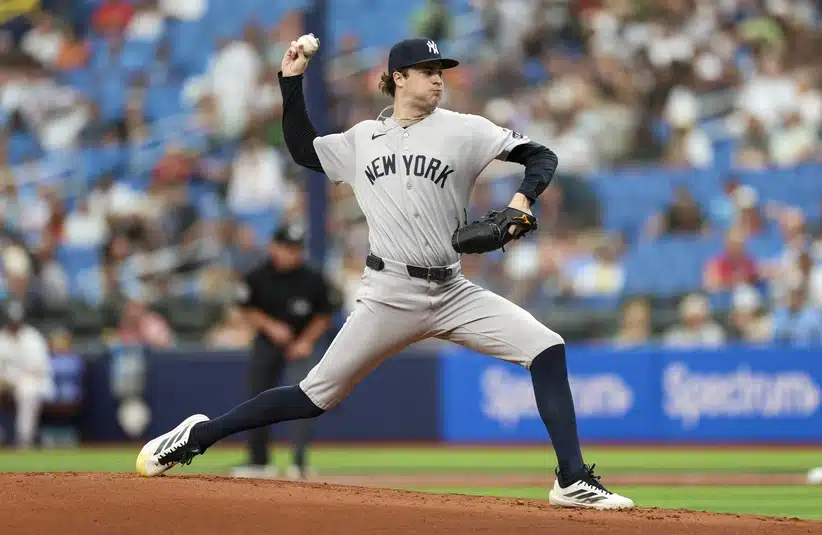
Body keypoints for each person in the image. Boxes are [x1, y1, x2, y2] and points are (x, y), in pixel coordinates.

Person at [136, 37, 634, 510]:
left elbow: (541, 156)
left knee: (546, 348)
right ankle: (198, 436)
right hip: (389, 293)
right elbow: (304, 149)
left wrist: (521, 200)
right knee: (313, 397)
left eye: (441, 72)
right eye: (427, 71)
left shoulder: (465, 129)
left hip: (453, 289)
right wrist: (291, 81)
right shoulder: (363, 138)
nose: (438, 79)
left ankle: (572, 479)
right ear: (398, 77)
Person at [231, 222, 336, 480]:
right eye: (288, 247)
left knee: (305, 400)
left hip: (302, 345)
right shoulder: (257, 276)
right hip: (267, 344)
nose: (293, 253)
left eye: (297, 248)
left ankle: (299, 463)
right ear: (274, 247)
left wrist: (306, 341)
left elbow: (324, 314)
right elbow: (246, 308)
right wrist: (270, 326)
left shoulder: (313, 278)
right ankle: (258, 461)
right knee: (257, 400)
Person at [0, 301, 55, 448]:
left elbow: (38, 369)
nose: (13, 325)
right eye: (11, 322)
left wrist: (12, 380)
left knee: (27, 391)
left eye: (16, 322)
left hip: (33, 381)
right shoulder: (2, 338)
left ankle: (24, 440)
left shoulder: (33, 338)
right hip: (7, 383)